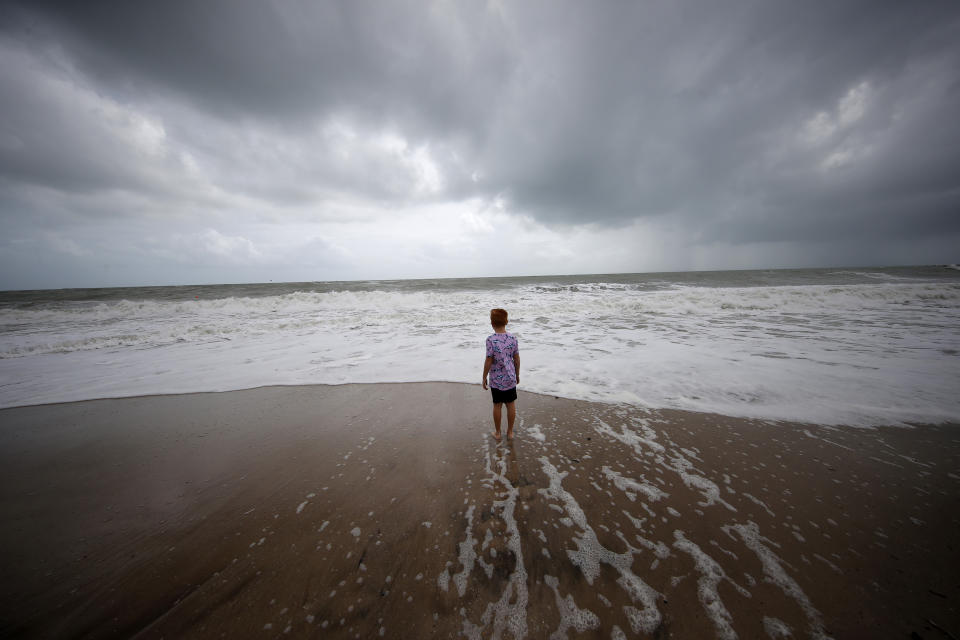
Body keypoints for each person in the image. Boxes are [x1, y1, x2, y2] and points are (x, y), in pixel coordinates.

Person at [481, 308, 520, 441]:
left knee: (497, 405)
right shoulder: (513, 338)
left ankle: (498, 433)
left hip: (496, 379)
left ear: (492, 323)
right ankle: (509, 432)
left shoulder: (490, 340)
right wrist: (517, 374)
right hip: (510, 377)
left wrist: (484, 376)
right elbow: (517, 359)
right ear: (506, 322)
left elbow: (488, 360)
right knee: (511, 404)